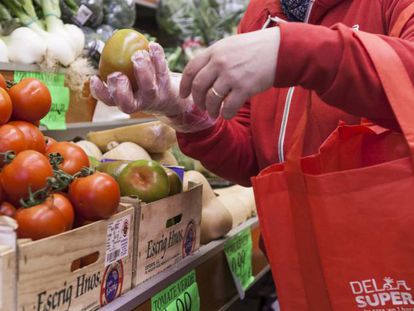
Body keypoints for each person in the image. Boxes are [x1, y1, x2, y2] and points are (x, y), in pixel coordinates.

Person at [90, 0, 414, 188]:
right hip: (303, 266)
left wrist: (293, 51)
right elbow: (253, 160)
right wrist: (186, 112)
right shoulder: (263, 13)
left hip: (390, 264)